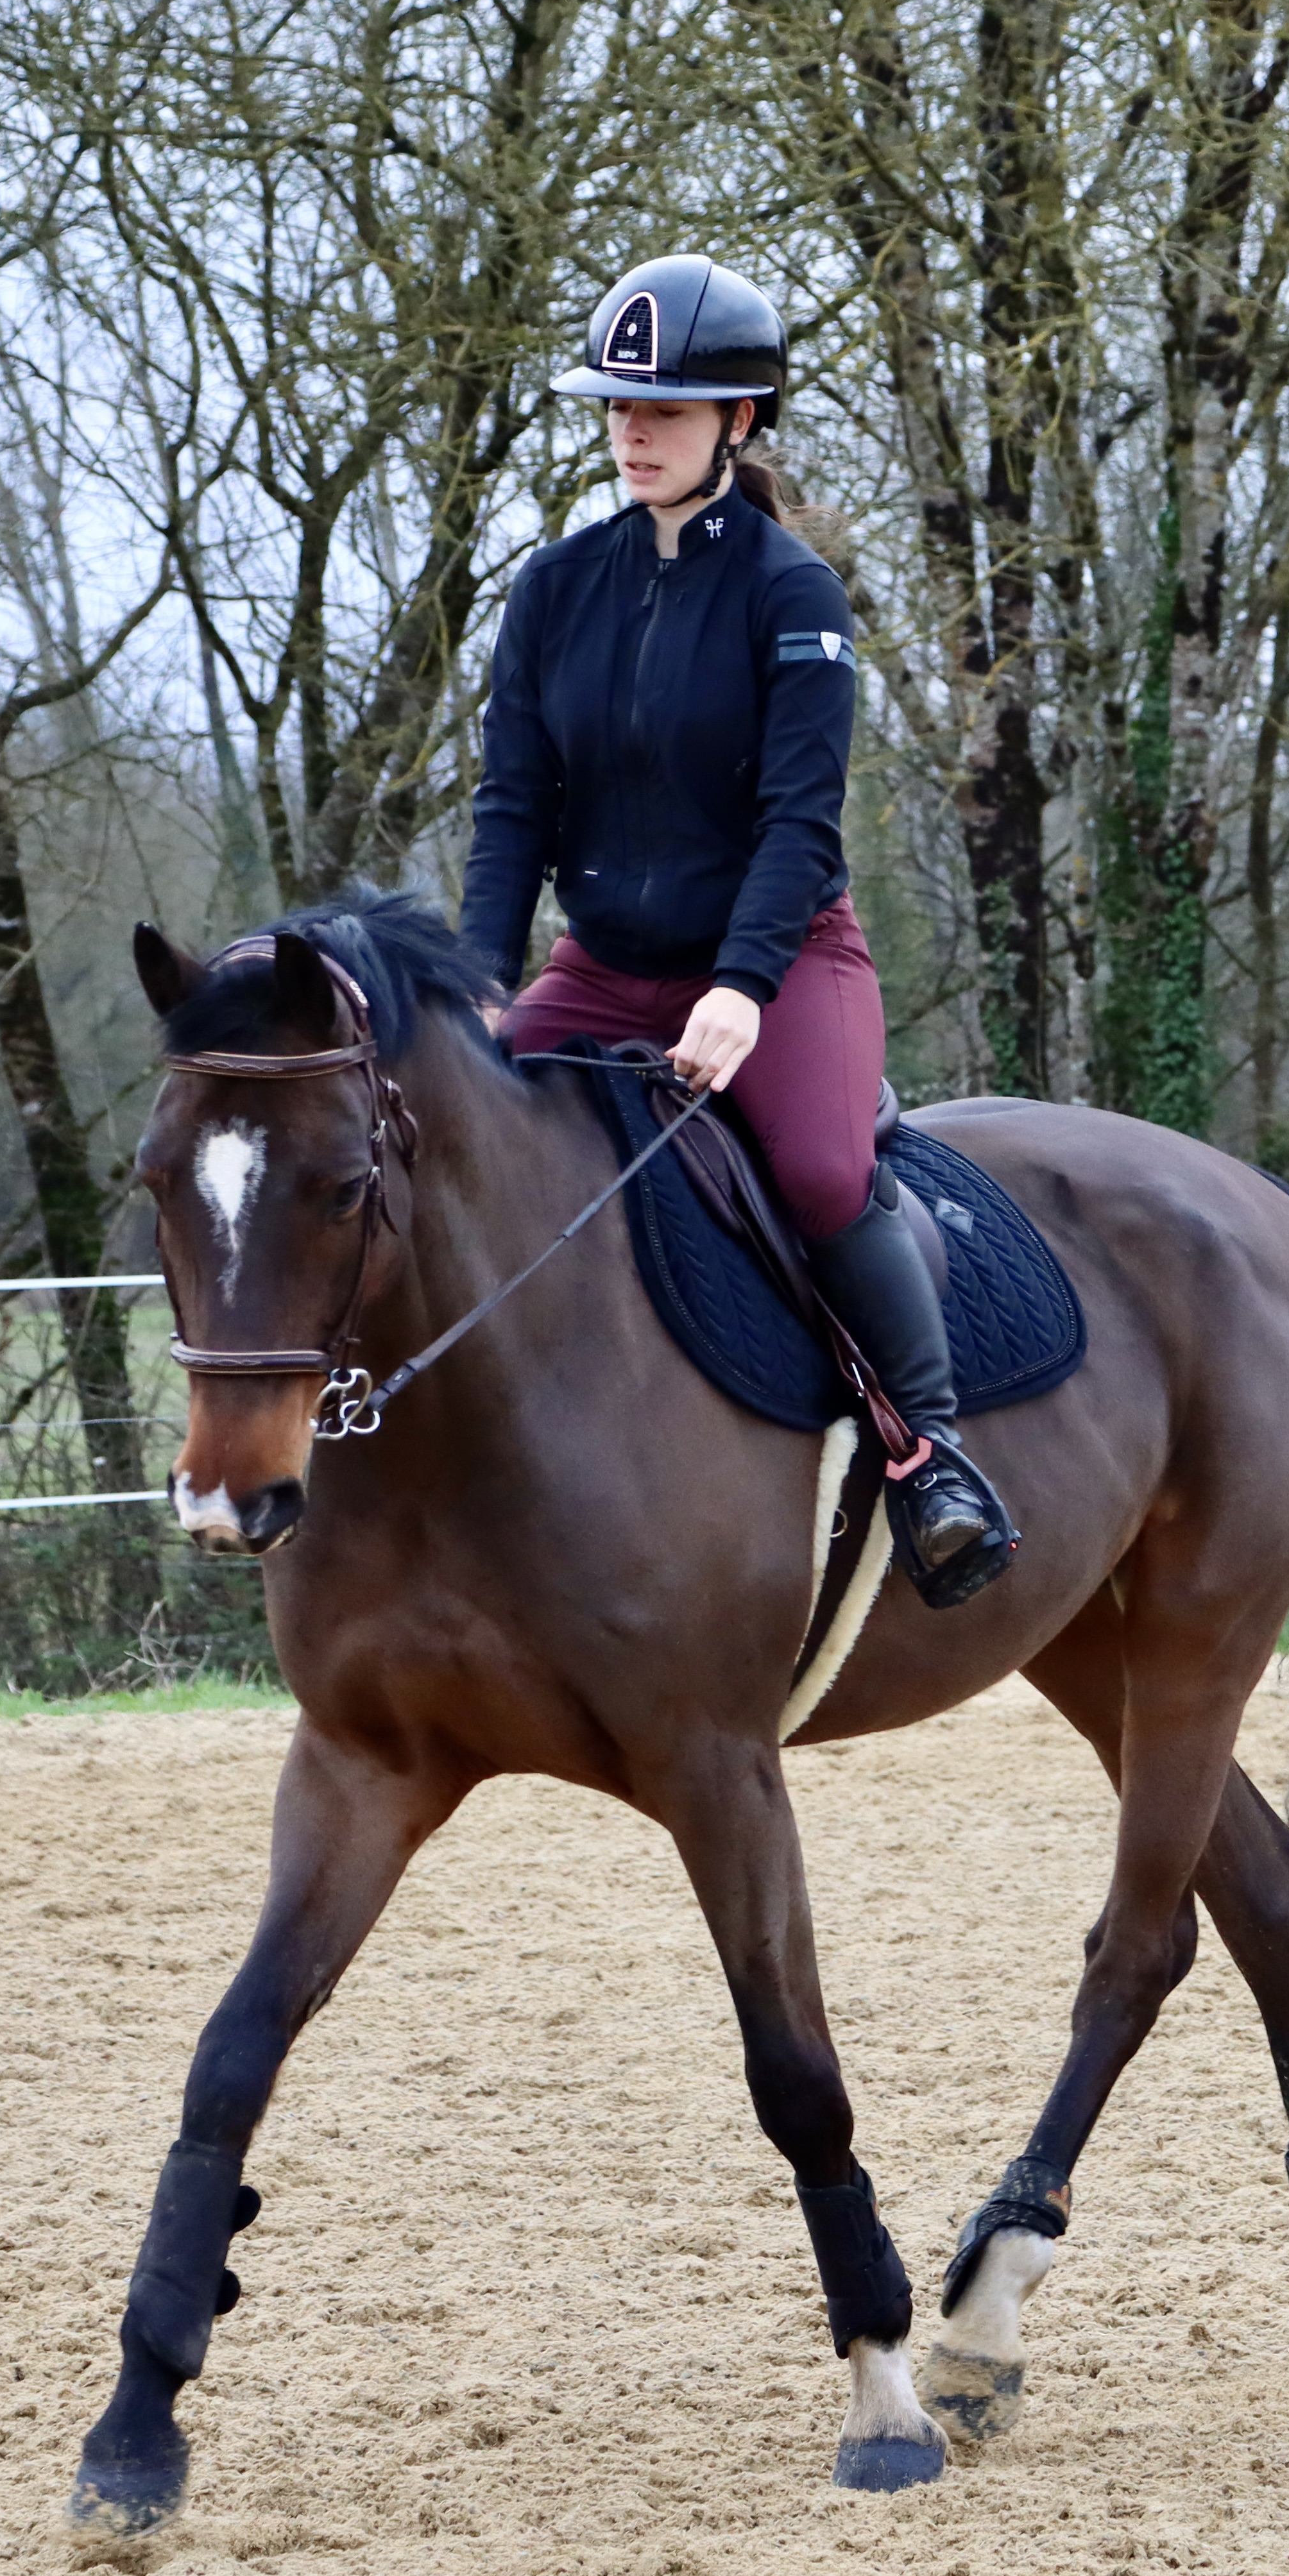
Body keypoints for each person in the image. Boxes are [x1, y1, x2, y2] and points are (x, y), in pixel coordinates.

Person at [459, 253, 1014, 1590]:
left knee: (824, 1173)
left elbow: (797, 824)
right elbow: (511, 807)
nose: (633, 432)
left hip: (780, 962)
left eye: (667, 410)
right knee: (459, 1134)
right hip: (599, 968)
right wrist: (480, 981)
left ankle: (928, 1453)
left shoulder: (792, 596)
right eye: (616, 408)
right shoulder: (553, 592)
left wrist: (744, 986)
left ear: (740, 421)